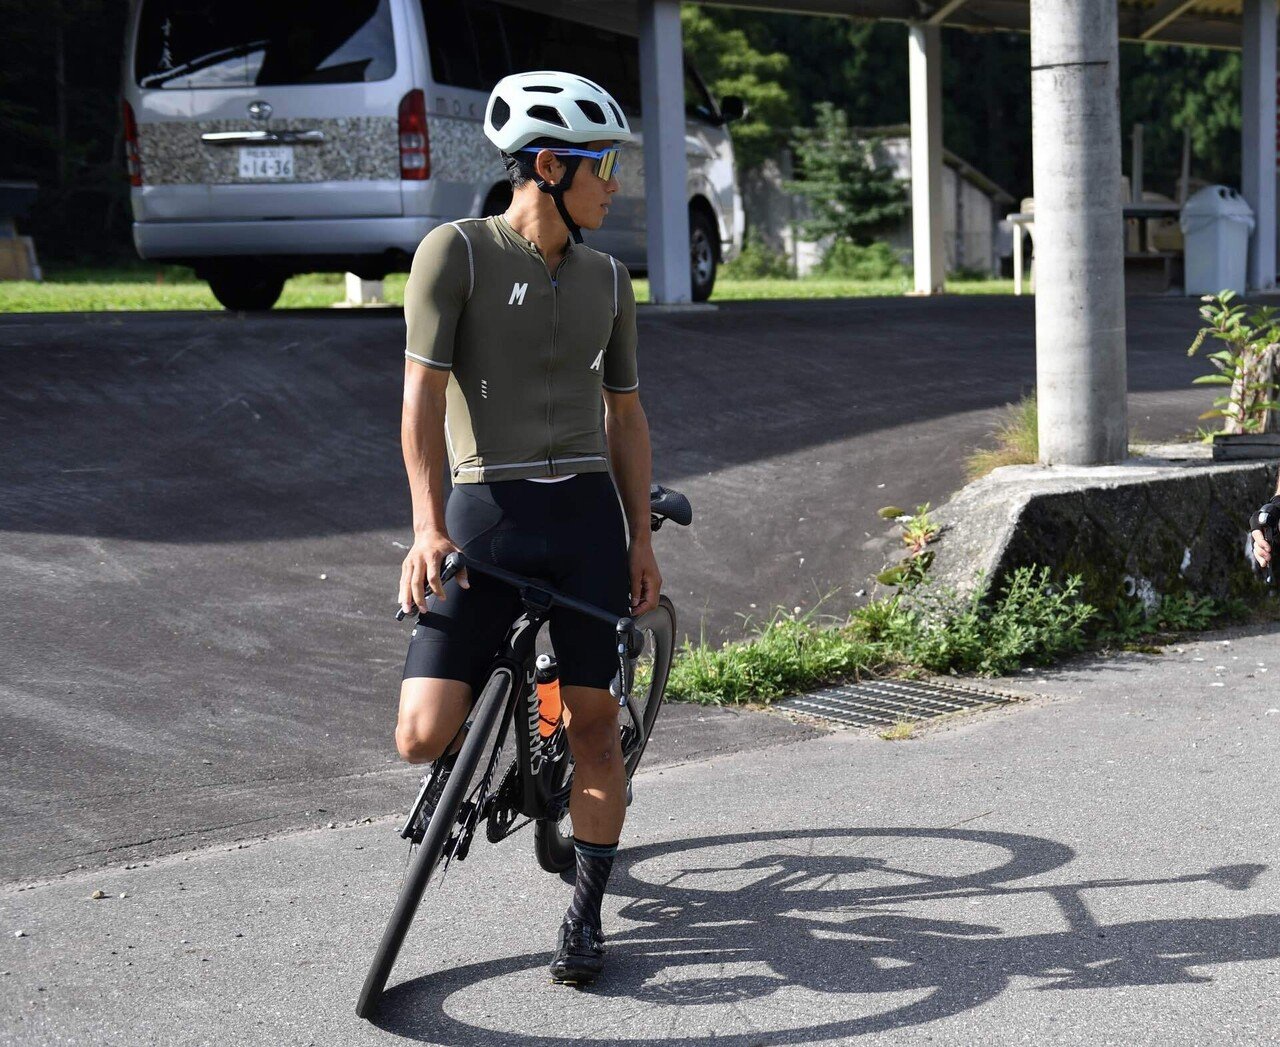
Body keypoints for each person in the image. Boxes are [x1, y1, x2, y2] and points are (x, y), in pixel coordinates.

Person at [392, 70, 661, 986]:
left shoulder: (609, 278)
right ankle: (489, 739)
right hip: (485, 513)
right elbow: (419, 401)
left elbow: (625, 415)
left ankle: (584, 913)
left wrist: (640, 539)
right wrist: (427, 527)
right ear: (548, 166)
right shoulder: (456, 253)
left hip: (582, 517)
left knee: (592, 727)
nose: (613, 183)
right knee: (421, 736)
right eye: (602, 166)